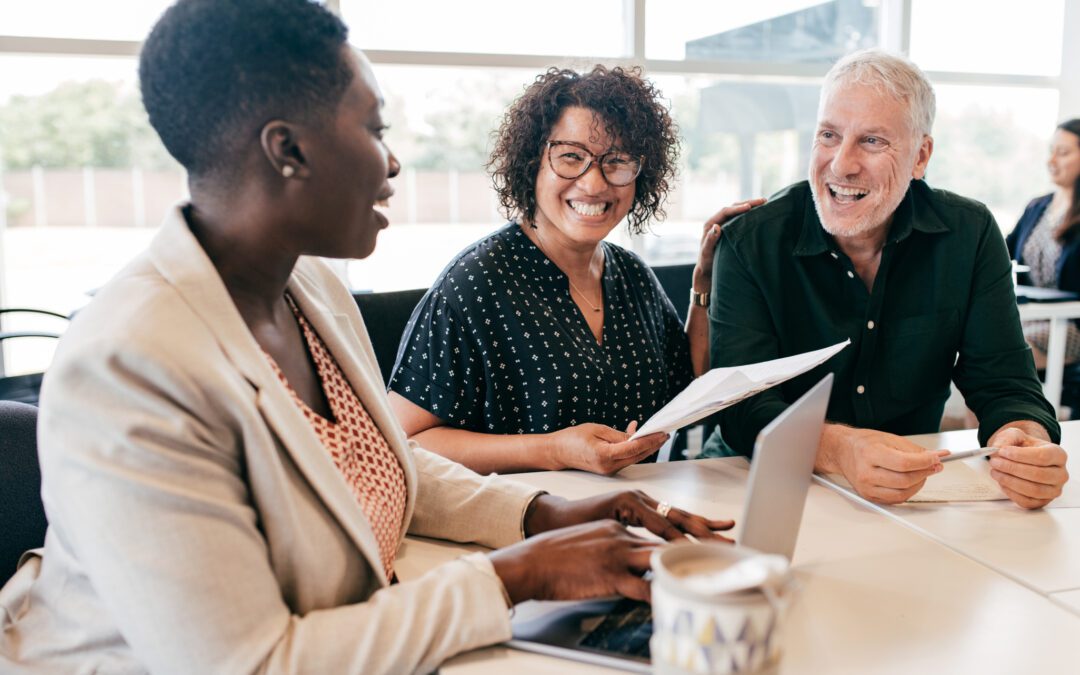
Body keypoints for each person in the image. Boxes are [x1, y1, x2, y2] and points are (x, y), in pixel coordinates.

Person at [0, 2, 735, 673]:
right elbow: (252, 663)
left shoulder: (309, 285)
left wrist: (546, 515)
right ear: (288, 150)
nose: (392, 162)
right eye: (374, 129)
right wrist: (519, 573)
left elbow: (387, 463)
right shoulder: (129, 363)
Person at [702, 49, 1069, 509]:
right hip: (755, 475)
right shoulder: (750, 242)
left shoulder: (969, 234)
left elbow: (1005, 383)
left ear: (921, 156)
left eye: (872, 141)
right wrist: (841, 449)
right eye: (828, 135)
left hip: (907, 488)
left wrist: (1023, 441)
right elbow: (742, 406)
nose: (841, 164)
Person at [388, 65, 762, 475]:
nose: (595, 183)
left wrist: (704, 283)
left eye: (616, 161)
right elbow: (405, 441)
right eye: (571, 157)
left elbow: (688, 383)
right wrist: (552, 450)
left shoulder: (631, 275)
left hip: (633, 513)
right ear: (532, 163)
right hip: (522, 523)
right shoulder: (474, 285)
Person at [1007, 119, 1080, 369]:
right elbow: (1001, 252)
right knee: (978, 345)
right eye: (1051, 151)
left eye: (1063, 153)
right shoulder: (1037, 207)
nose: (1051, 161)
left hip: (1071, 324)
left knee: (1008, 352)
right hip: (1032, 316)